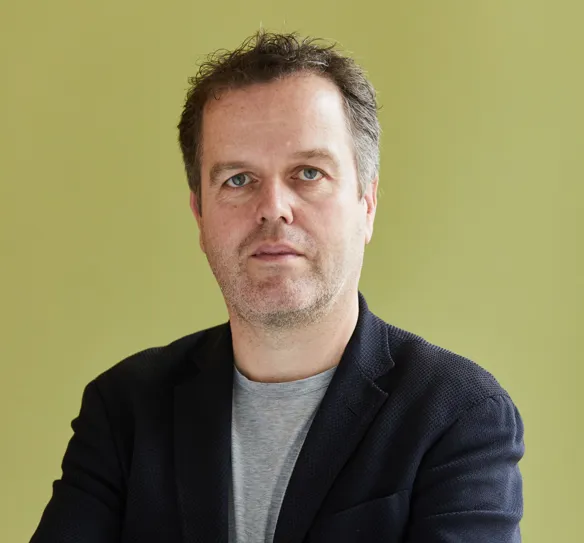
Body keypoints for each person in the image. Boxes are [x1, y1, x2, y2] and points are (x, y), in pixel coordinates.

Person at [30, 30, 524, 543]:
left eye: (308, 172)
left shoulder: (456, 413)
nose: (273, 208)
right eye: (238, 179)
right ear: (200, 215)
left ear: (367, 203)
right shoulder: (124, 410)